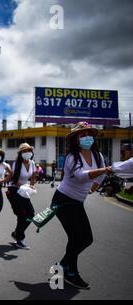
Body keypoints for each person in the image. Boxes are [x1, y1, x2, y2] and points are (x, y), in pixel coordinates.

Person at [51, 122, 111, 289]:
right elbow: (80, 176)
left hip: (77, 202)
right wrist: (103, 171)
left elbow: (100, 175)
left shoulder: (98, 155)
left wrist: (95, 185)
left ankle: (63, 264)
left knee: (87, 239)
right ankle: (71, 272)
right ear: (76, 139)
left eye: (89, 134)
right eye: (82, 135)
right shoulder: (72, 157)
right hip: (62, 200)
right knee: (76, 237)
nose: (86, 137)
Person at [6, 143, 36, 249]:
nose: (27, 153)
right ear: (20, 154)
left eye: (29, 151)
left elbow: (33, 177)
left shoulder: (32, 163)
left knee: (31, 214)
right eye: (24, 151)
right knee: (22, 215)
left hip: (24, 191)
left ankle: (17, 234)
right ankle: (19, 239)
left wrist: (31, 186)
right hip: (14, 191)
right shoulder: (17, 164)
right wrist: (25, 186)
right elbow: (14, 180)